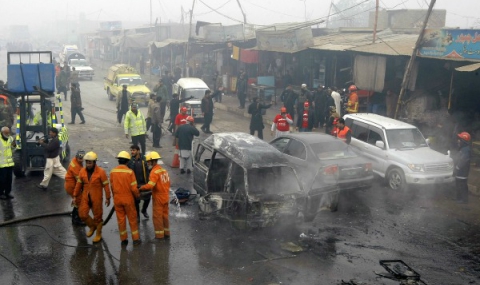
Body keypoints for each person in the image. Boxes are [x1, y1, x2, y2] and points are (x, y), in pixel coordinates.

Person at [73, 151, 111, 243]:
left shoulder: (101, 172)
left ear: (94, 162)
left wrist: (108, 197)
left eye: (90, 162)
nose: (88, 164)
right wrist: (74, 196)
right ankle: (92, 226)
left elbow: (106, 185)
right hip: (86, 196)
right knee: (82, 214)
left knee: (98, 217)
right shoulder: (82, 171)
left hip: (96, 197)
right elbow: (78, 184)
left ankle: (98, 234)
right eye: (87, 162)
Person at [111, 151, 141, 246]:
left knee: (121, 220)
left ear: (119, 161)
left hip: (117, 199)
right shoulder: (130, 172)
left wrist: (114, 197)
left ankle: (123, 240)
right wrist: (137, 196)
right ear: (127, 162)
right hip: (128, 199)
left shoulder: (113, 172)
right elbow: (133, 188)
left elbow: (112, 187)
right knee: (132, 219)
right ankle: (135, 239)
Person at [139, 151, 171, 239]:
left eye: (149, 161)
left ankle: (159, 235)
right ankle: (166, 233)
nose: (148, 163)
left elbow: (150, 185)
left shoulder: (154, 172)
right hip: (166, 196)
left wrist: (141, 188)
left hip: (159, 197)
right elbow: (168, 183)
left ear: (153, 161)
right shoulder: (164, 170)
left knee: (157, 216)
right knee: (165, 216)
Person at [128, 145, 150, 219]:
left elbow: (149, 169)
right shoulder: (130, 161)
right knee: (136, 201)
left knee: (147, 198)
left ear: (138, 150)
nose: (132, 152)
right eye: (131, 150)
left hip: (144, 182)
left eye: (133, 150)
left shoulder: (144, 159)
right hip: (135, 183)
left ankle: (144, 210)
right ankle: (137, 216)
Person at [65, 150, 85, 225]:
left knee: (77, 201)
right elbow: (79, 180)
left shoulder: (76, 161)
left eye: (82, 159)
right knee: (79, 201)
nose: (81, 160)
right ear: (76, 157)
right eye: (80, 159)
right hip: (72, 186)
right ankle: (76, 220)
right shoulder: (75, 166)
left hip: (72, 184)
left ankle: (75, 217)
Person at [454, 132, 471, 204]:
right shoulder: (463, 148)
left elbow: (464, 159)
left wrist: (458, 167)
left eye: (460, 139)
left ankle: (463, 200)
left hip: (462, 171)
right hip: (461, 171)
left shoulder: (465, 150)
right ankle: (460, 198)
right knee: (460, 184)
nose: (458, 141)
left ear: (463, 141)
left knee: (462, 185)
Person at [0, 126, 16, 200]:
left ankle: (7, 192)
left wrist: (14, 145)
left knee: (9, 179)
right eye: (6, 133)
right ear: (2, 132)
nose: (8, 134)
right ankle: (1, 193)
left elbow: (13, 147)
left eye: (8, 132)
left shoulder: (10, 138)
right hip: (1, 164)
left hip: (9, 163)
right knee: (2, 180)